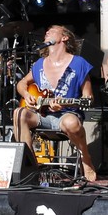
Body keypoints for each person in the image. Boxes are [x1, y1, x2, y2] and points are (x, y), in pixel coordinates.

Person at [14, 25, 98, 183]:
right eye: (47, 31)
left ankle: (86, 159)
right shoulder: (39, 64)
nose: (47, 32)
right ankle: (30, 167)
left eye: (52, 31)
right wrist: (26, 94)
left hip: (67, 114)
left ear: (64, 37)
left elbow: (89, 97)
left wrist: (66, 105)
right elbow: (21, 83)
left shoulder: (78, 63)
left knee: (71, 122)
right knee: (19, 113)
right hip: (42, 115)